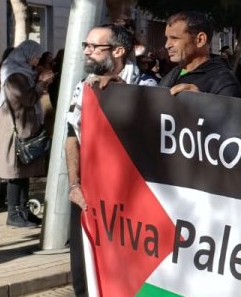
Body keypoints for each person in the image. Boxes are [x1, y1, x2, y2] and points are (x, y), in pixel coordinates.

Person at [66, 24, 157, 296]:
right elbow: (72, 135)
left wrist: (122, 95)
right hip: (86, 195)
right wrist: (74, 184)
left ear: (118, 51)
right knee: (85, 272)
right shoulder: (84, 86)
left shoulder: (146, 84)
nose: (87, 51)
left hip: (126, 201)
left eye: (95, 47)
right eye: (86, 45)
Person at [0, 40, 53, 227]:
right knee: (15, 172)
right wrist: (41, 84)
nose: (37, 59)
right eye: (36, 56)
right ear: (26, 54)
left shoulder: (24, 72)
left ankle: (24, 210)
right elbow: (26, 99)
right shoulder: (14, 75)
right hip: (16, 129)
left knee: (24, 172)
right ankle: (14, 213)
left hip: (25, 126)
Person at [159, 11, 241, 97]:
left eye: (174, 38)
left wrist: (201, 102)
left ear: (200, 40)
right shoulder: (172, 74)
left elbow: (229, 110)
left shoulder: (224, 82)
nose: (167, 45)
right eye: (167, 38)